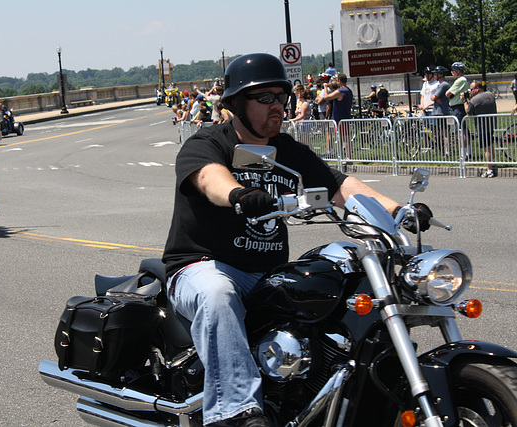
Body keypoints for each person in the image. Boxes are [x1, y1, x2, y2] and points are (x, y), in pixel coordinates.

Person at [161, 53, 418, 426]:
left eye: (281, 97)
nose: (277, 106)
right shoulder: (207, 143)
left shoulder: (287, 151)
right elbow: (207, 177)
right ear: (235, 104)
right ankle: (234, 412)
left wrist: (398, 212)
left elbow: (339, 185)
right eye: (264, 98)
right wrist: (238, 194)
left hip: (267, 274)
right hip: (201, 268)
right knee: (218, 294)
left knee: (342, 282)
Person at [464, 80, 498, 178]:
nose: (470, 91)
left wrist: (465, 101)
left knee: (486, 148)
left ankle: (489, 170)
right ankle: (493, 162)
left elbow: (468, 111)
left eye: (472, 89)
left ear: (477, 88)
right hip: (491, 124)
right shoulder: (490, 94)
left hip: (482, 126)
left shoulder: (475, 100)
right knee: (490, 145)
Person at [324, 73, 353, 159]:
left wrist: (325, 87)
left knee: (345, 139)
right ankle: (342, 156)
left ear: (339, 81)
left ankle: (348, 157)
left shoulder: (341, 91)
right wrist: (331, 88)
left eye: (336, 80)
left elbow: (326, 97)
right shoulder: (347, 90)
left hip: (340, 118)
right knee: (342, 138)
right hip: (344, 117)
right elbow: (336, 95)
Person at [430, 66, 452, 156]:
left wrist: (435, 98)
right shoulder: (440, 84)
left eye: (436, 74)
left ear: (440, 74)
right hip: (438, 111)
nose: (434, 76)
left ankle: (447, 151)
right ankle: (441, 149)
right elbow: (434, 97)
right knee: (440, 132)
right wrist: (435, 98)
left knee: (444, 132)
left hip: (442, 111)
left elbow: (434, 97)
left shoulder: (443, 85)